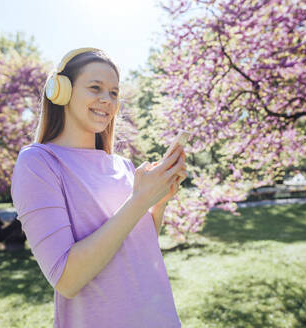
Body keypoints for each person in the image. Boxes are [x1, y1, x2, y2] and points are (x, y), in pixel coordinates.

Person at [10, 47, 188, 328]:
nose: (107, 100)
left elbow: (139, 247)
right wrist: (139, 201)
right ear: (62, 92)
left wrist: (158, 201)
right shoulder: (38, 162)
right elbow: (67, 280)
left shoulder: (124, 165)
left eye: (114, 93)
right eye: (95, 88)